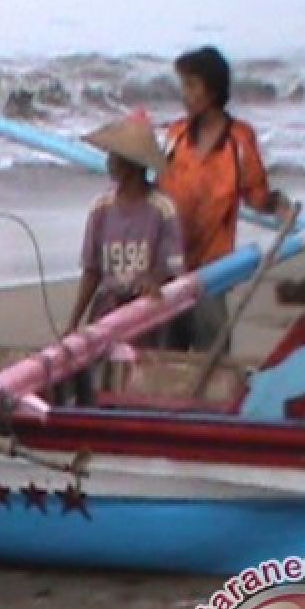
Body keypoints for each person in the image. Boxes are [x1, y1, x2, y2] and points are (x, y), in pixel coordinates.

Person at [158, 46, 292, 353]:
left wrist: (277, 204)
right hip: (170, 265)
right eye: (183, 85)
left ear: (213, 90)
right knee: (163, 357)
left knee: (212, 357)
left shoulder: (239, 140)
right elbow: (158, 189)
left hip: (213, 271)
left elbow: (256, 193)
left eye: (191, 86)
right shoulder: (175, 135)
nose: (185, 94)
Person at [64, 113, 183, 404]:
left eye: (114, 158)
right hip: (108, 303)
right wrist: (74, 322)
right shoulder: (101, 207)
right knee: (97, 371)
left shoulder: (162, 208)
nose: (108, 163)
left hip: (144, 308)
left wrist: (153, 279)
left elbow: (173, 267)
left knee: (136, 376)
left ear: (130, 166)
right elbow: (92, 271)